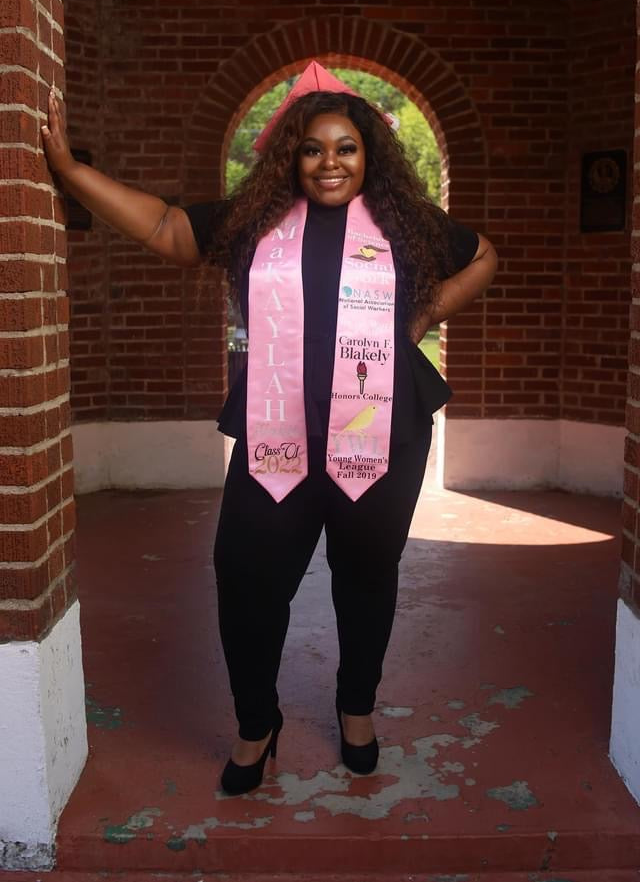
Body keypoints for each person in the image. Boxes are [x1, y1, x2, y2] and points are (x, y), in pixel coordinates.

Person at [41, 63, 497, 796]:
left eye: (346, 147)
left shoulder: (404, 227)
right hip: (274, 432)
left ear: (369, 155)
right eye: (312, 148)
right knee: (247, 576)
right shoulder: (254, 222)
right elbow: (164, 225)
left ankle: (356, 709)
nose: (328, 163)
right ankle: (257, 723)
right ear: (290, 153)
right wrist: (67, 171)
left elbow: (483, 256)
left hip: (381, 431)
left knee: (366, 576)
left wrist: (419, 318)